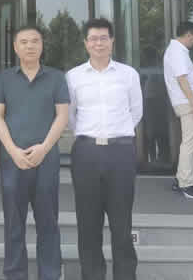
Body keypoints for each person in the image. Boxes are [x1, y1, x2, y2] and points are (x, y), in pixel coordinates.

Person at [0, 26, 69, 280]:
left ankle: (50, 274)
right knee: (14, 224)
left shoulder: (56, 78)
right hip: (13, 161)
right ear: (15, 47)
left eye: (35, 41)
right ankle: (15, 274)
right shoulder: (4, 78)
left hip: (46, 160)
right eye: (23, 42)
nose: (30, 46)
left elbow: (62, 116)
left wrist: (44, 148)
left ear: (42, 45)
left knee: (48, 222)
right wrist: (12, 151)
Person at [67, 18, 142, 280]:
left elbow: (135, 112)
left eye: (103, 38)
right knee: (88, 223)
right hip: (86, 152)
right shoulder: (73, 76)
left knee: (122, 223)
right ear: (85, 43)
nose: (98, 43)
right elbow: (71, 116)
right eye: (93, 38)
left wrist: (115, 135)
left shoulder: (128, 74)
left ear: (112, 41)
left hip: (120, 152)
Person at [163, 21, 193, 200]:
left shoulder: (176, 51)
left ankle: (182, 179)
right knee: (190, 144)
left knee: (188, 143)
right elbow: (181, 79)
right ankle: (186, 184)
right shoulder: (178, 52)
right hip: (188, 103)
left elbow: (183, 75)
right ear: (189, 34)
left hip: (186, 102)